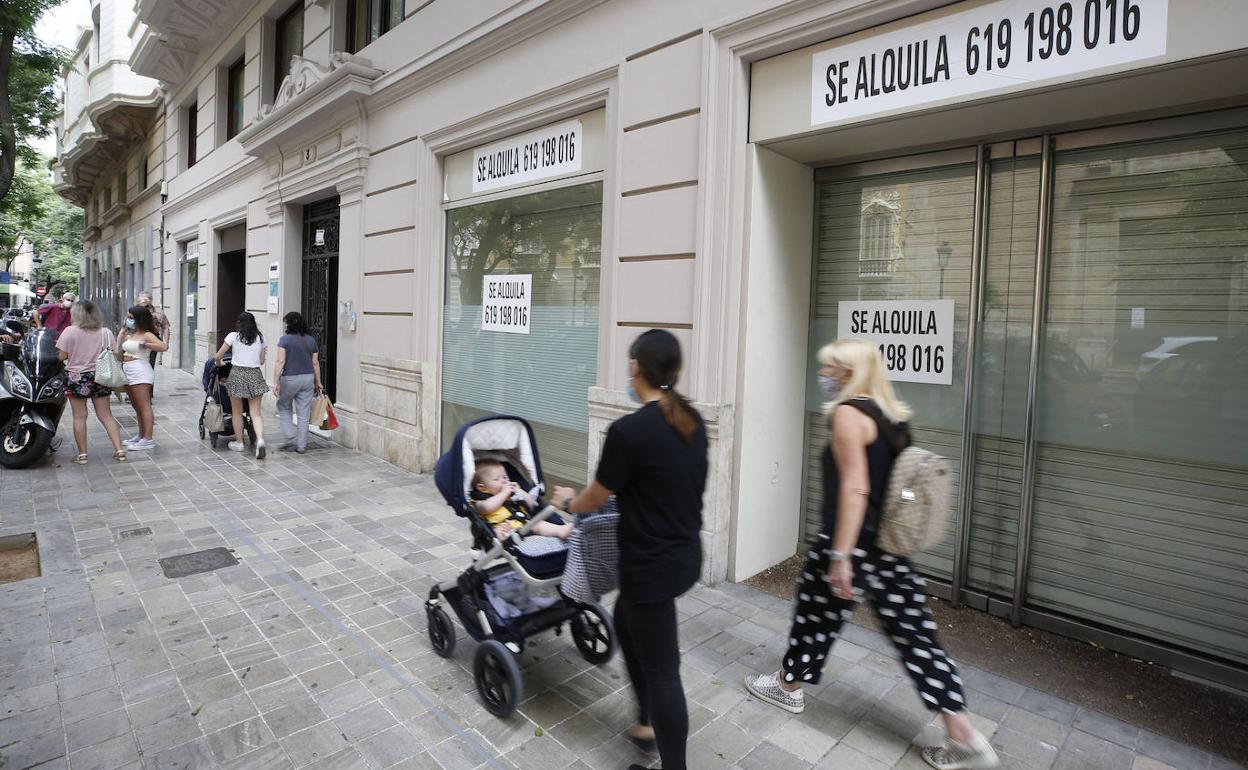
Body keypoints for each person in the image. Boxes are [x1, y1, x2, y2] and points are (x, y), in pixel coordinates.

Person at [743, 339, 998, 770]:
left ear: (848, 374)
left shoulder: (848, 414)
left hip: (849, 543)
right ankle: (963, 734)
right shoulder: (892, 417)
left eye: (830, 369)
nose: (824, 376)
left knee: (814, 615)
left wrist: (841, 555)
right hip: (887, 549)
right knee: (916, 636)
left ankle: (787, 687)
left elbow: (857, 489)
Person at [552, 329, 707, 770]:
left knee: (663, 671)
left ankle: (667, 756)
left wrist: (565, 501)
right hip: (683, 554)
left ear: (636, 366)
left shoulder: (629, 431)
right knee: (626, 619)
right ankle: (643, 724)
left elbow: (595, 499)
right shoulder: (691, 421)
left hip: (650, 565)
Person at [55, 300, 127, 464]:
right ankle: (119, 449)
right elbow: (115, 353)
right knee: (106, 415)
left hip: (77, 377)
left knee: (79, 416)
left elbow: (62, 356)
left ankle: (82, 455)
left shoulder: (69, 332)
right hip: (101, 375)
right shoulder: (106, 332)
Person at [471, 459, 573, 540]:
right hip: (502, 528)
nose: (503, 481)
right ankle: (504, 537)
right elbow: (487, 508)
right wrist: (504, 492)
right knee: (498, 533)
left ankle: (561, 530)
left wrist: (520, 491)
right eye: (497, 479)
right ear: (482, 487)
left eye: (505, 477)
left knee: (538, 524)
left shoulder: (511, 494)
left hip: (524, 524)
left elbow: (531, 504)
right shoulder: (480, 501)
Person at [213, 311, 269, 459]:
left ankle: (239, 443)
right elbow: (262, 360)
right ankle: (260, 440)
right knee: (255, 413)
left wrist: (219, 364)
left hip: (237, 374)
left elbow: (218, 356)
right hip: (255, 374)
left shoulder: (233, 336)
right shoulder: (261, 338)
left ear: (239, 323)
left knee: (236, 412)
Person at [117, 305, 169, 451]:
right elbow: (118, 349)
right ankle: (141, 435)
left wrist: (144, 345)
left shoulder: (147, 334)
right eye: (128, 317)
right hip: (128, 370)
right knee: (136, 406)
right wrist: (121, 337)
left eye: (131, 318)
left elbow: (163, 346)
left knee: (144, 405)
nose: (128, 320)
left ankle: (148, 438)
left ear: (139, 319)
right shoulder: (131, 333)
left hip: (140, 370)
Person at [272, 311, 321, 453]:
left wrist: (276, 382)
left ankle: (289, 435)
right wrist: (318, 382)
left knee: (284, 405)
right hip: (308, 379)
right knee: (304, 412)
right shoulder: (311, 340)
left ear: (288, 325)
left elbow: (280, 361)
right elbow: (315, 363)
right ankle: (301, 445)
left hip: (290, 379)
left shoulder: (285, 340)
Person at [136, 291, 169, 386]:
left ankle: (148, 392)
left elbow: (166, 326)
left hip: (153, 339)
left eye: (146, 299)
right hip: (138, 340)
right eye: (142, 299)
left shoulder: (158, 312)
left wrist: (166, 342)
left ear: (151, 300)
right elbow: (126, 328)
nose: (144, 301)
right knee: (137, 365)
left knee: (150, 366)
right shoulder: (135, 311)